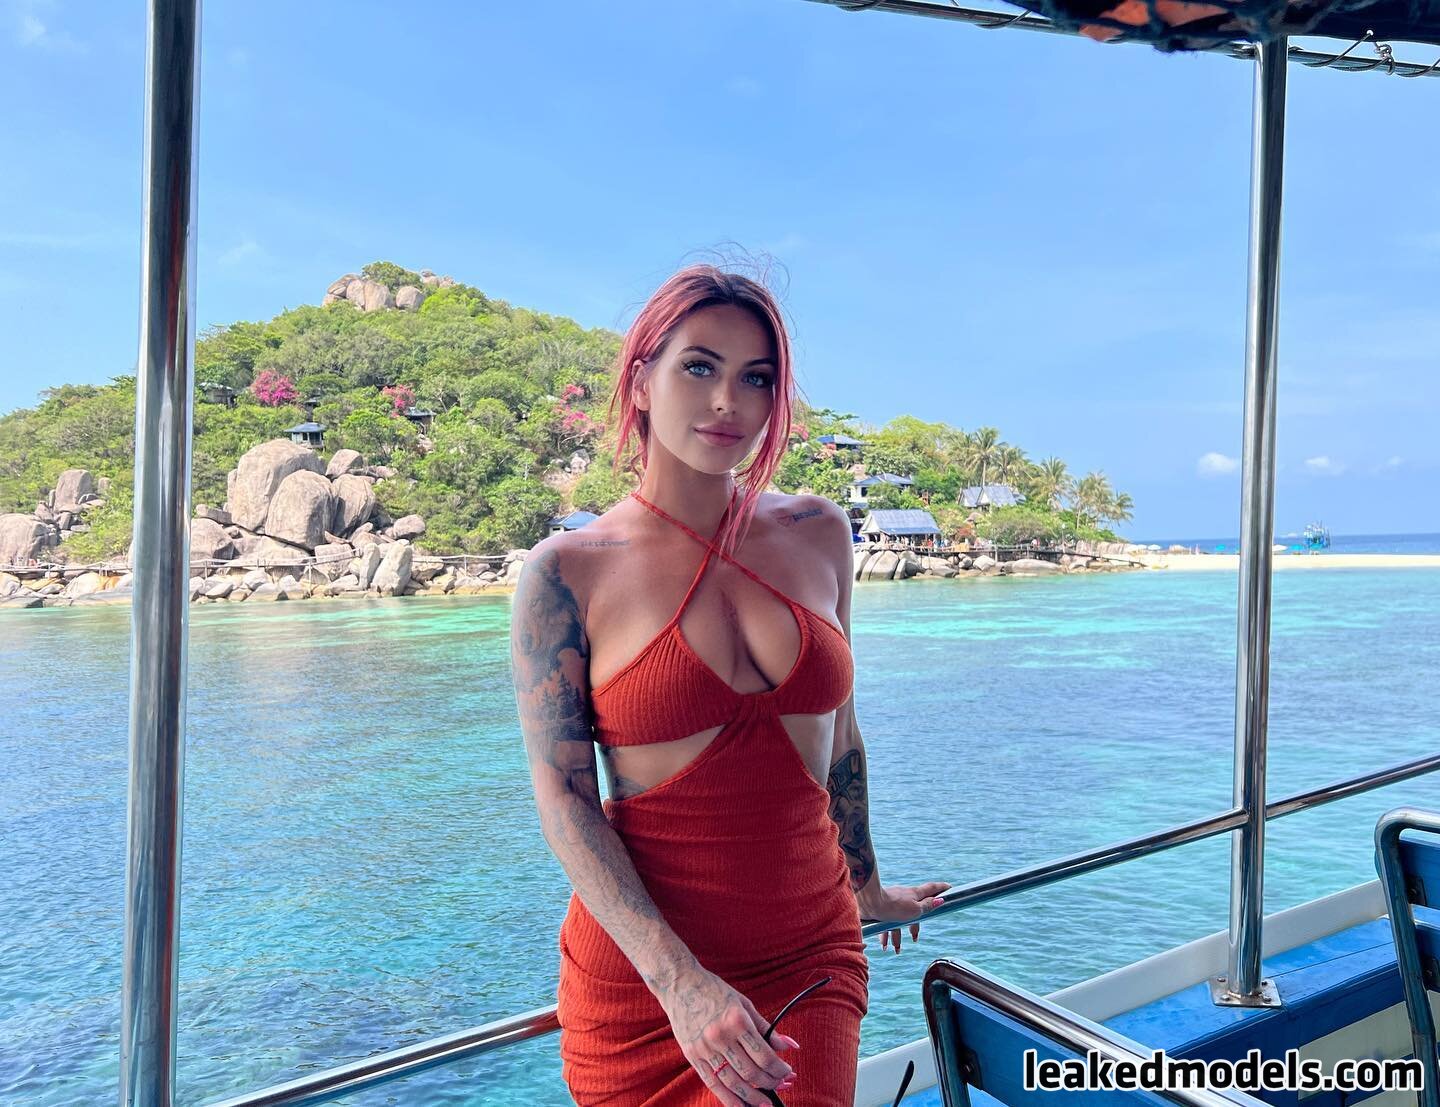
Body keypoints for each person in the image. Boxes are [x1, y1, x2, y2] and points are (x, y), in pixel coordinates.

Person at [510, 264, 949, 1106]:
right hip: (647, 985)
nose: (728, 402)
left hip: (807, 952)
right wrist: (681, 984)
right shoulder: (567, 572)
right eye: (700, 366)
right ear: (642, 379)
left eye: (757, 378)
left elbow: (840, 739)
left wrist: (867, 887)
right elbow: (564, 801)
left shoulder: (818, 531)